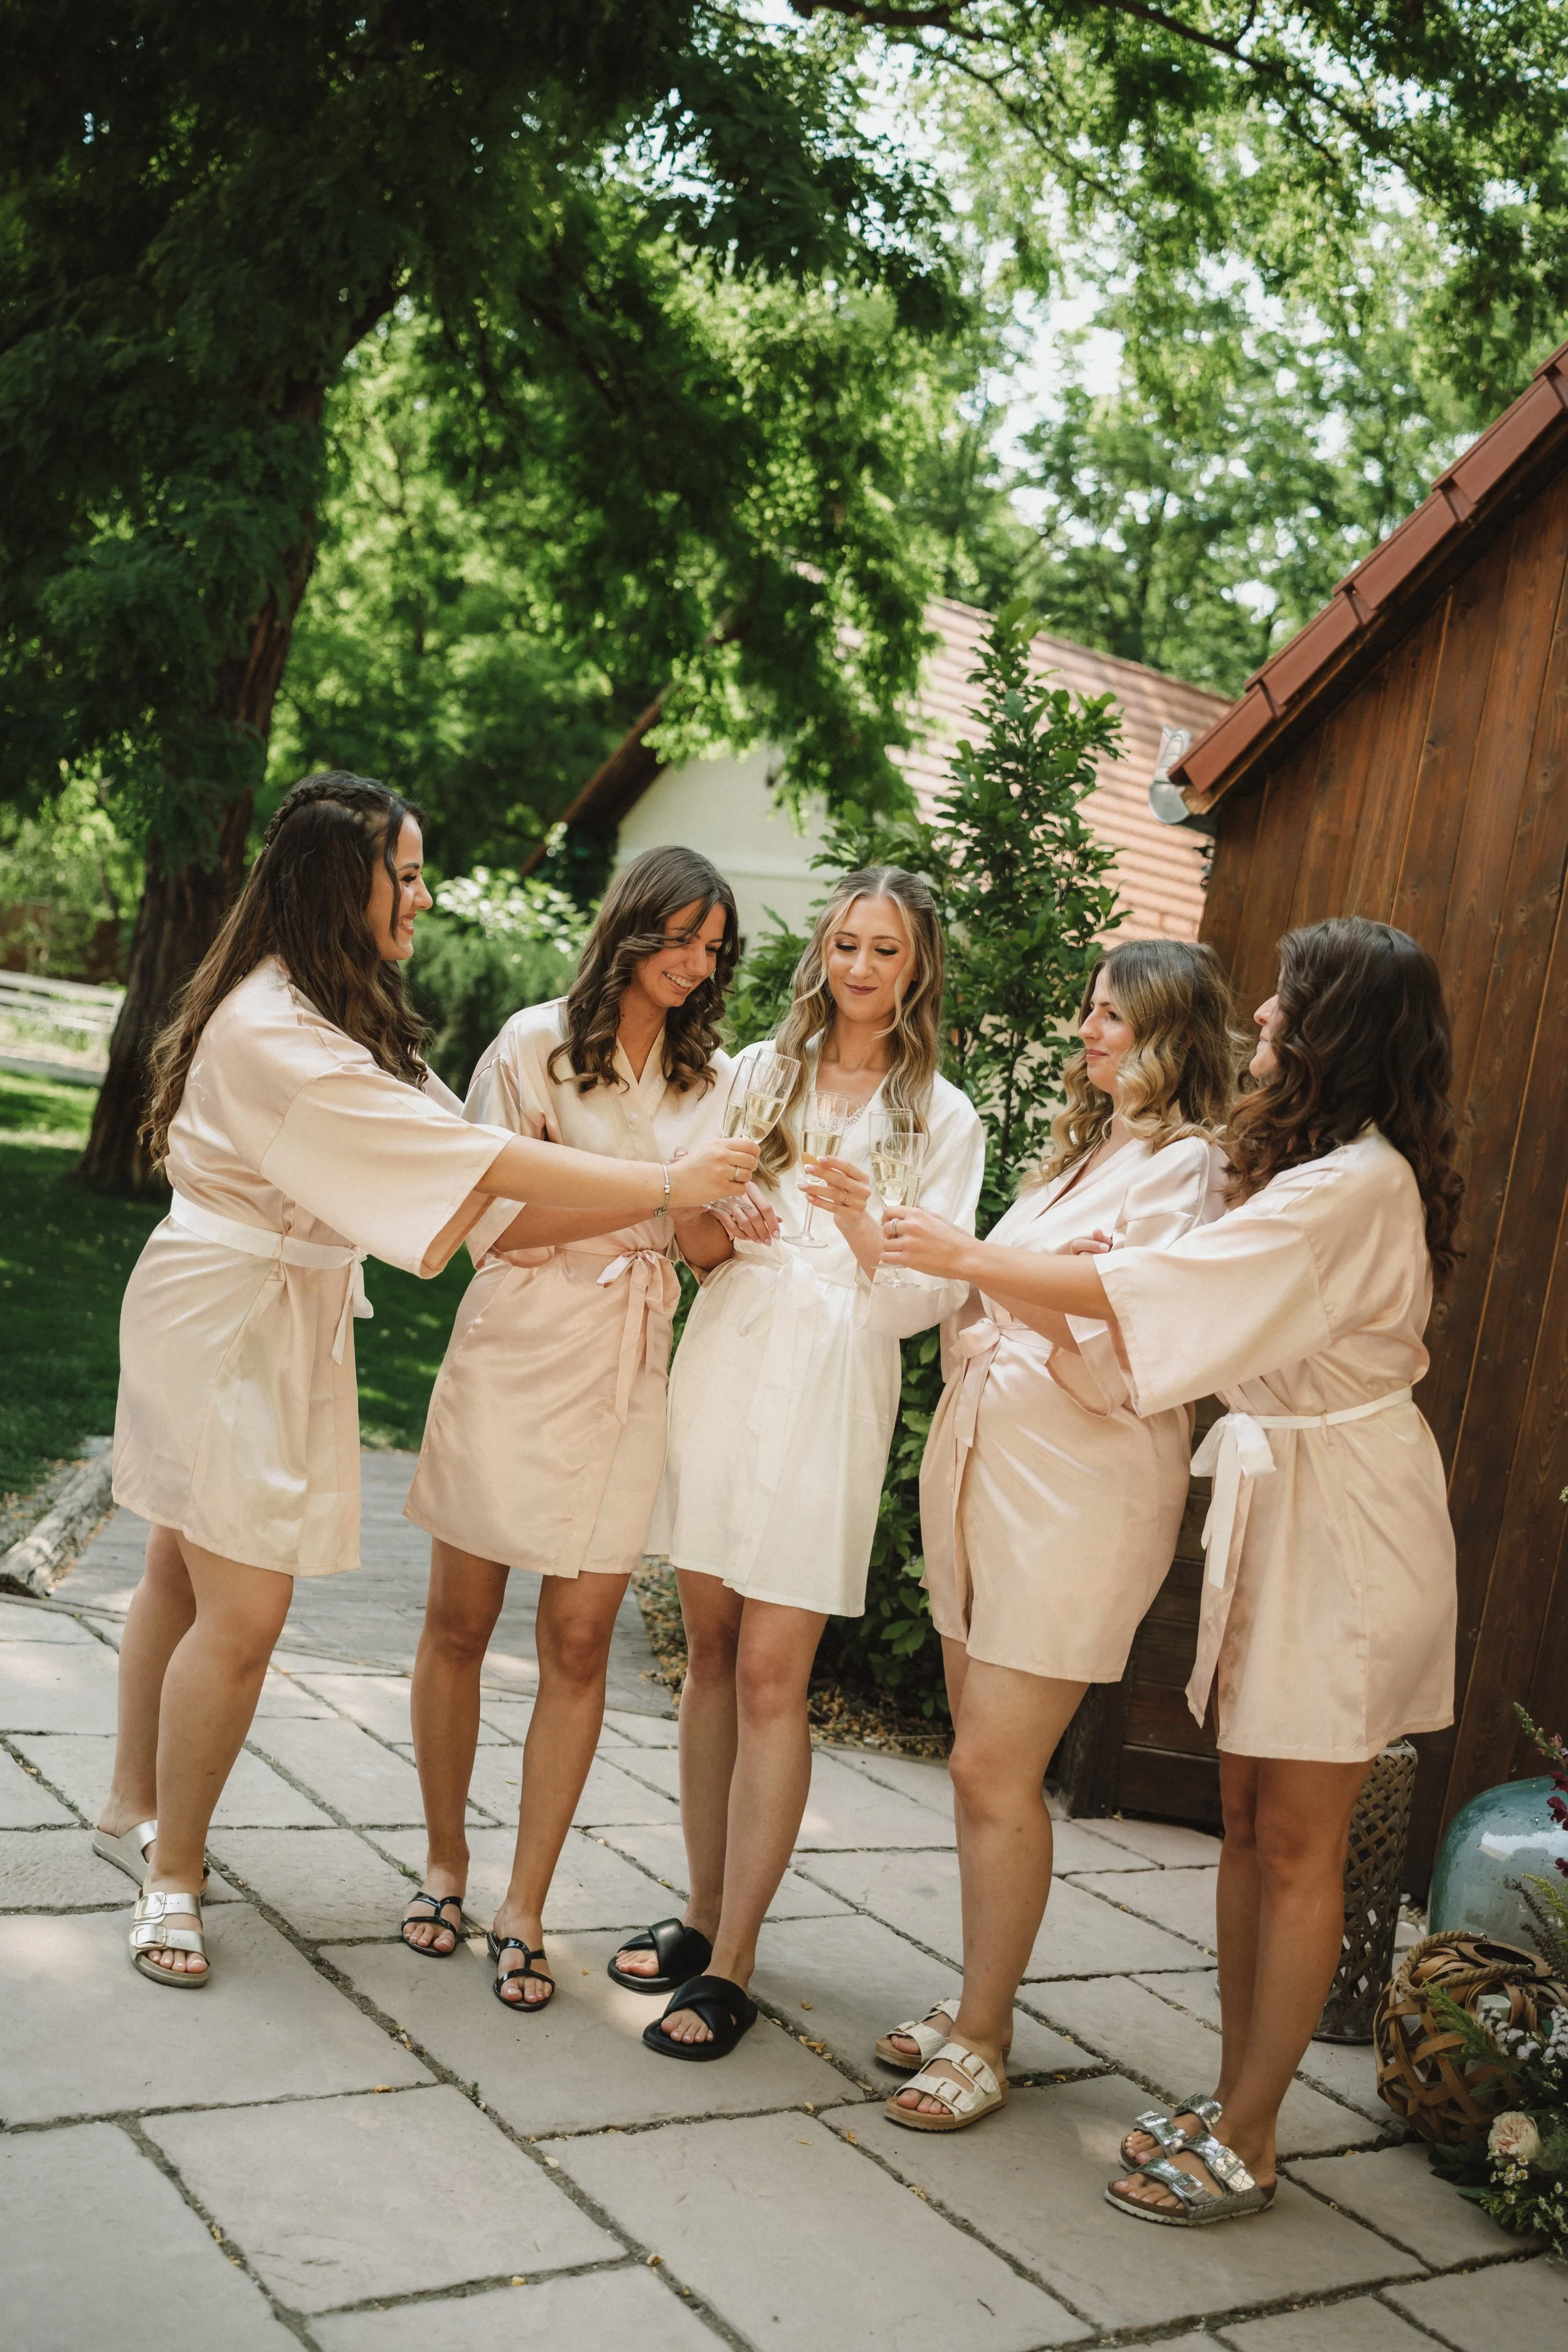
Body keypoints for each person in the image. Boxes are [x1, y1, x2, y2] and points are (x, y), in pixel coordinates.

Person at [95, 776, 756, 1989]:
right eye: (405, 871)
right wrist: (664, 1188)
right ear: (337, 881)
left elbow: (464, 1155)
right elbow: (472, 1167)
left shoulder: (322, 1004)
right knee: (240, 1611)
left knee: (177, 1565)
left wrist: (602, 1187)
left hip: (268, 1303)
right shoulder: (276, 1034)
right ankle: (173, 1875)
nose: (423, 893)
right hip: (229, 1315)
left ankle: (133, 1799)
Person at [881, 915, 1461, 2222]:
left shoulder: (1348, 1185)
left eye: (1281, 1006)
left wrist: (967, 1258)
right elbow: (1160, 1298)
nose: (1256, 1020)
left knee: (1299, 1841)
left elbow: (1161, 1292)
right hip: (1277, 1494)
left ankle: (1251, 2139)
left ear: (1335, 1030)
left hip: (1343, 1519)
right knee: (1245, 1824)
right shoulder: (1318, 1170)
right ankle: (1228, 2094)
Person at [612, 866, 985, 2060]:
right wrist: (728, 1217)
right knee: (708, 1651)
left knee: (776, 1670)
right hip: (733, 1356)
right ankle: (702, 1908)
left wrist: (863, 1221)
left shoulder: (946, 1114)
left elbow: (923, 1302)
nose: (860, 966)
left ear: (916, 965)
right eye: (843, 942)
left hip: (835, 1380)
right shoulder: (756, 1075)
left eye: (884, 949)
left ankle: (735, 1962)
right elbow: (698, 1239)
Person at [399, 846, 776, 2009]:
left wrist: (737, 1212)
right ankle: (444, 1865)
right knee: (461, 1624)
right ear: (633, 926)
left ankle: (524, 1904)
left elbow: (705, 1253)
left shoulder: (712, 1083)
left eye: (714, 949)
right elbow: (499, 1226)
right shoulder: (530, 1046)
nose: (696, 965)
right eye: (682, 938)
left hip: (630, 1369)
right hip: (516, 1345)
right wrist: (667, 1194)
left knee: (577, 1643)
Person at [878, 939, 1239, 2134]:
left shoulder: (1189, 1168)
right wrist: (1022, 1272)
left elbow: (1135, 1342)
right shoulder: (1089, 1151)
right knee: (981, 1761)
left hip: (1077, 1489)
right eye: (1090, 1012)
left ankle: (985, 2035)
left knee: (994, 1764)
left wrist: (1001, 1269)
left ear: (1174, 1036)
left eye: (1113, 1019)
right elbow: (1010, 1296)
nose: (1090, 1033)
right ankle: (977, 1989)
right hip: (992, 1461)